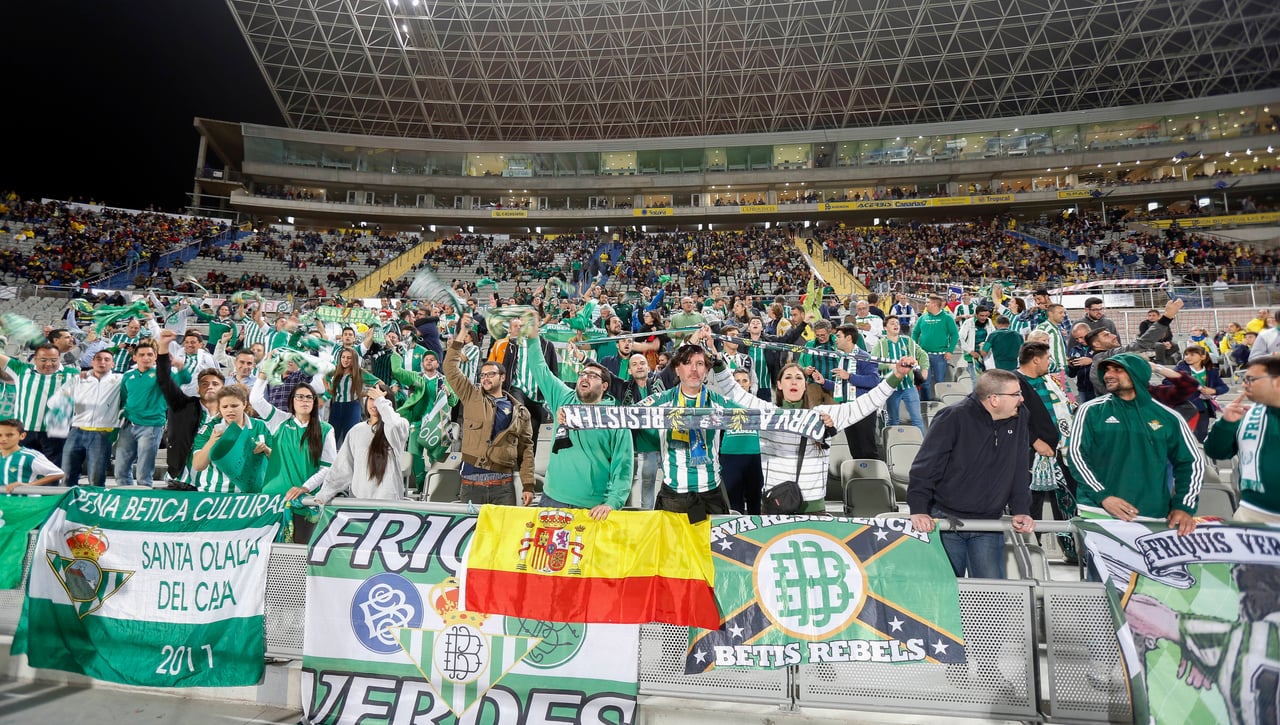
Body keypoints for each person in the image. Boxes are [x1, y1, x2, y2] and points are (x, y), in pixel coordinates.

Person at [714, 344, 917, 514]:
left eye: (799, 377)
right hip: (775, 505)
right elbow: (734, 392)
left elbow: (866, 404)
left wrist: (896, 375)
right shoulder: (767, 412)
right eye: (788, 377)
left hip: (814, 508)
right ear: (779, 385)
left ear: (805, 385)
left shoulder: (823, 414)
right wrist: (716, 360)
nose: (794, 381)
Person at [908, 370, 1036, 579]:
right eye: (1016, 394)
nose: (1021, 399)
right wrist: (919, 509)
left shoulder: (1020, 417)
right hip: (945, 521)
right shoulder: (953, 417)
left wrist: (1021, 509)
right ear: (994, 399)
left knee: (990, 596)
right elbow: (925, 468)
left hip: (989, 523)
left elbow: (1019, 467)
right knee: (946, 592)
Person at [1067, 353, 1204, 536]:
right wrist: (1103, 496)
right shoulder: (1090, 410)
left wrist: (1184, 506)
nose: (1108, 375)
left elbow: (1191, 462)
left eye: (1117, 369)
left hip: (1152, 514)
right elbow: (1076, 456)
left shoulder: (1169, 417)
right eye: (1106, 370)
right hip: (1099, 511)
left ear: (1137, 374)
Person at [523, 322, 632, 520]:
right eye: (583, 373)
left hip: (592, 508)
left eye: (592, 375)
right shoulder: (563, 397)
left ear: (605, 386)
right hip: (551, 499)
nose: (585, 377)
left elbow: (623, 466)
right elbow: (540, 369)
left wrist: (612, 502)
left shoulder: (616, 418)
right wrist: (532, 338)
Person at [445, 321, 535, 506]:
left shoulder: (520, 412)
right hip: (470, 484)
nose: (485, 378)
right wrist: (462, 333)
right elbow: (450, 369)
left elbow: (526, 449)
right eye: (483, 375)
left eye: (490, 374)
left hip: (503, 487)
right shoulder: (471, 395)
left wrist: (528, 485)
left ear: (502, 377)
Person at [1206, 357, 1280, 526]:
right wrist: (1226, 424)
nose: (1244, 385)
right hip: (1250, 513)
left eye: (1251, 380)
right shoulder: (1250, 413)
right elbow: (1216, 452)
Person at [314, 384, 410, 503]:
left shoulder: (400, 424)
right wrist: (324, 494)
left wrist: (382, 402)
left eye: (378, 399)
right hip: (359, 502)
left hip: (389, 502)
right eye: (371, 398)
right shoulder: (356, 430)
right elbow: (342, 467)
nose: (374, 403)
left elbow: (394, 424)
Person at [52, 349, 122, 488]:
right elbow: (55, 401)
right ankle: (67, 507)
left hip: (103, 432)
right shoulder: (78, 379)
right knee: (67, 476)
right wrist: (68, 403)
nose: (102, 362)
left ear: (113, 364)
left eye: (107, 359)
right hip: (76, 430)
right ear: (92, 362)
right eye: (98, 358)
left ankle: (93, 508)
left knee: (96, 478)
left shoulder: (120, 380)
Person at [0, 343, 79, 464]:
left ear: (59, 358)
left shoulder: (73, 374)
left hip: (55, 432)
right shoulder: (21, 369)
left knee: (52, 470)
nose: (49, 364)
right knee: (23, 468)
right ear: (35, 359)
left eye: (54, 360)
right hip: (25, 430)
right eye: (43, 360)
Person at [1085, 297, 1185, 391]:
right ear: (1097, 344)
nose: (1114, 336)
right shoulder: (1105, 358)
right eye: (1106, 336)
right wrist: (1167, 317)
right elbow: (1141, 343)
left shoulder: (1106, 359)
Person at [606, 353, 665, 510]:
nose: (639, 366)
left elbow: (677, 364)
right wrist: (583, 358)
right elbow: (606, 375)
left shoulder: (660, 384)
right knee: (644, 486)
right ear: (630, 371)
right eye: (635, 364)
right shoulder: (624, 389)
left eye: (642, 363)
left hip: (669, 445)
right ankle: (645, 518)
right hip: (644, 449)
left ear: (648, 367)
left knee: (674, 486)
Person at [190, 385, 271, 493]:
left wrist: (266, 450)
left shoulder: (261, 426)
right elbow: (198, 466)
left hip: (251, 495)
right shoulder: (209, 428)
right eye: (225, 406)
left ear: (244, 404)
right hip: (215, 493)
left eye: (234, 405)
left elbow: (278, 461)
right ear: (219, 407)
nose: (230, 410)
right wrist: (211, 442)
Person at [823, 324, 882, 459]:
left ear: (848, 338)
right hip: (848, 410)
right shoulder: (843, 358)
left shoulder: (865, 357)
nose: (835, 340)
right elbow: (842, 387)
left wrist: (849, 376)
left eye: (838, 336)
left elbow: (874, 381)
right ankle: (860, 478)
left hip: (864, 410)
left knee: (867, 449)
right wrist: (823, 382)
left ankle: (874, 478)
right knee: (855, 450)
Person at [116, 341, 167, 487]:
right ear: (134, 357)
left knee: (144, 470)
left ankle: (143, 497)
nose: (146, 358)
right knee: (121, 467)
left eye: (150, 354)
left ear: (155, 357)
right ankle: (123, 497)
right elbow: (124, 397)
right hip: (129, 424)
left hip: (151, 425)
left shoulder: (162, 374)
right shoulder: (127, 376)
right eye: (142, 355)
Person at [718, 368, 763, 514]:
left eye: (744, 381)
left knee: (755, 505)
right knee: (733, 506)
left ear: (750, 384)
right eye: (737, 381)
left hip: (754, 457)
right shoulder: (723, 404)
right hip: (730, 457)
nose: (741, 384)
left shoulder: (759, 404)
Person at [872, 317, 928, 430]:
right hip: (891, 388)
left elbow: (923, 354)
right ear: (885, 327)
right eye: (892, 323)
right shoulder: (880, 344)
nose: (896, 325)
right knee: (893, 420)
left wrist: (924, 370)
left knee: (917, 419)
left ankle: (923, 446)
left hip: (909, 385)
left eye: (897, 323)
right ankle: (892, 444)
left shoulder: (908, 341)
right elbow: (873, 363)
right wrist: (889, 366)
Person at [1170, 345, 1227, 441]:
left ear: (1203, 357)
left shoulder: (1211, 371)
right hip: (1183, 407)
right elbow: (1167, 381)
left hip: (1203, 408)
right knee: (1182, 436)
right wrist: (1187, 384)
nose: (1188, 357)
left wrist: (1213, 391)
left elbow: (1224, 387)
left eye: (1192, 355)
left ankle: (1199, 455)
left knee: (1201, 436)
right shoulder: (1180, 369)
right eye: (1186, 354)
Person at [326, 347, 380, 447]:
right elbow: (324, 378)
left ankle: (352, 462)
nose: (345, 360)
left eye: (349, 358)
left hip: (352, 406)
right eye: (343, 357)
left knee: (351, 437)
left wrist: (366, 393)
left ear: (354, 359)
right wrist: (329, 391)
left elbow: (379, 383)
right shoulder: (334, 370)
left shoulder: (360, 372)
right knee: (331, 438)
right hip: (336, 406)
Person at [911, 295, 959, 400]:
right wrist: (914, 348)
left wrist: (950, 351)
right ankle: (925, 404)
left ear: (934, 304)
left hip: (940, 356)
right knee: (924, 383)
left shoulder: (947, 318)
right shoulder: (923, 317)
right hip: (924, 356)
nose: (925, 304)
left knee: (940, 382)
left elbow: (955, 335)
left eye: (928, 302)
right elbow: (915, 333)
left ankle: (940, 405)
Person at [0, 419, 65, 493]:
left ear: (22, 436)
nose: (4, 439)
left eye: (9, 435)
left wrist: (29, 485)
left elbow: (58, 473)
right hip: (3, 502)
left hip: (25, 502)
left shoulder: (30, 456)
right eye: (0, 435)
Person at [958, 306, 994, 390]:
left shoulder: (989, 322)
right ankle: (976, 401)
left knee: (987, 381)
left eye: (986, 315)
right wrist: (970, 351)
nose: (984, 318)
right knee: (976, 380)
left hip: (986, 356)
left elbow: (992, 336)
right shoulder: (968, 323)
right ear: (976, 315)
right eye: (982, 315)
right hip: (972, 357)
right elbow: (960, 338)